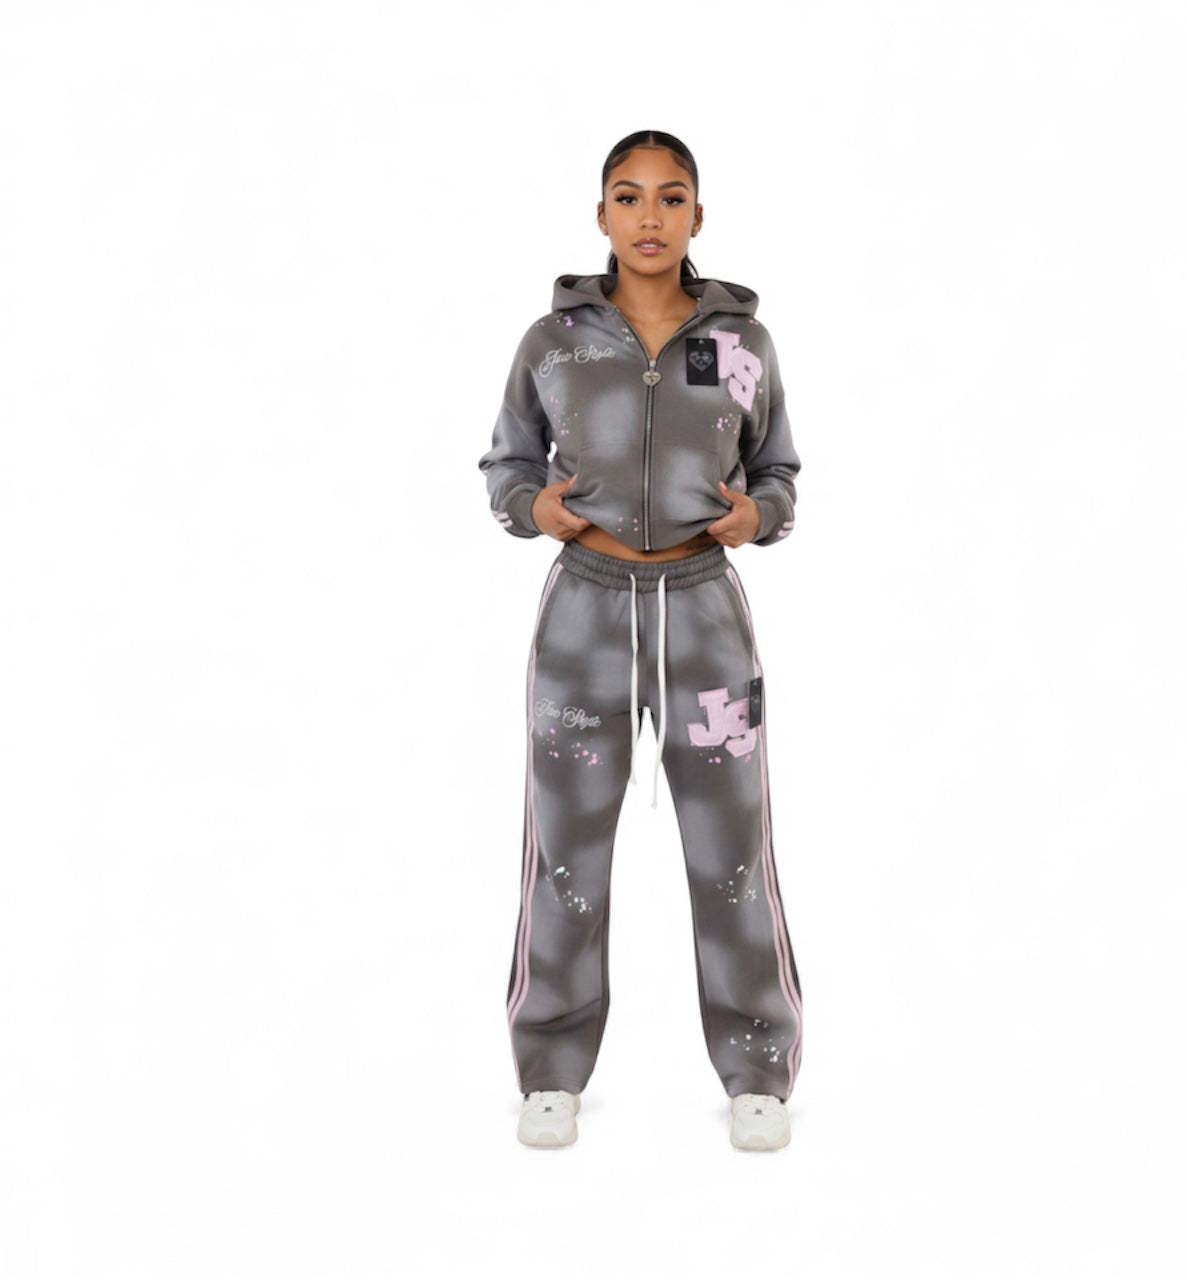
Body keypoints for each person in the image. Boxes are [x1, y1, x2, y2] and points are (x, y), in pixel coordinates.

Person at [477, 130, 803, 1151]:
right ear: (602, 215)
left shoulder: (743, 342)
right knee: (565, 849)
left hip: (705, 615)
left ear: (697, 215)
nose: (650, 216)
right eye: (628, 196)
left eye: (670, 197)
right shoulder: (553, 340)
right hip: (584, 616)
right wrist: (535, 507)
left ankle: (756, 1067)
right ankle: (550, 1067)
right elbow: (506, 466)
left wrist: (759, 514)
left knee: (732, 847)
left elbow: (779, 472)